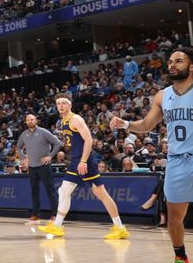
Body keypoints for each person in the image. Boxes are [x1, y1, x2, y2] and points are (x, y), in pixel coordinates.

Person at [111, 48, 193, 263]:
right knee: (174, 217)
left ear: (191, 66)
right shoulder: (162, 96)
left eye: (179, 61)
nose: (172, 64)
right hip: (176, 161)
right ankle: (181, 258)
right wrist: (126, 124)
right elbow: (146, 126)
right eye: (170, 61)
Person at [38, 93, 129, 240]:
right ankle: (57, 226)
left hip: (84, 161)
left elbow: (89, 140)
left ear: (70, 105)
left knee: (101, 194)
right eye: (58, 103)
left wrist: (83, 161)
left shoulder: (75, 119)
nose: (60, 105)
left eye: (64, 103)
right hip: (76, 160)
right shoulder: (62, 121)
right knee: (64, 191)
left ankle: (119, 227)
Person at [17, 114, 61, 221]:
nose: (30, 121)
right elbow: (18, 147)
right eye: (28, 120)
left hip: (44, 166)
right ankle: (36, 214)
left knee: (50, 190)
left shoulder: (43, 132)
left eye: (32, 119)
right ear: (26, 122)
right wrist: (23, 158)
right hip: (32, 167)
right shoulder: (24, 134)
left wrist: (50, 156)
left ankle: (55, 215)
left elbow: (58, 143)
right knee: (34, 191)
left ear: (36, 120)